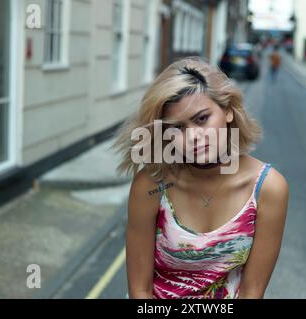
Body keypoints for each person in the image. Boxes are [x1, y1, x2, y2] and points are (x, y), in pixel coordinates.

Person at [113, 56, 289, 299]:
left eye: (202, 119)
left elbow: (253, 291)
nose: (193, 137)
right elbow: (139, 290)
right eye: (177, 127)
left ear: (227, 111)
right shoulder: (151, 185)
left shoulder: (269, 188)